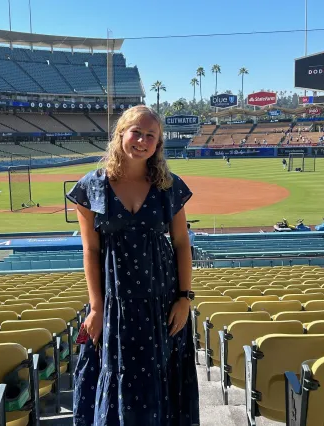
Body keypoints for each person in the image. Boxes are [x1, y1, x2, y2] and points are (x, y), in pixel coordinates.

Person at [66, 105, 199, 425]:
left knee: (161, 374)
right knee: (116, 373)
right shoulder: (92, 187)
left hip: (162, 302)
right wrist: (96, 308)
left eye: (150, 135)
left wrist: (184, 297)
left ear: (158, 144)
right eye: (136, 132)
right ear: (120, 135)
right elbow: (90, 251)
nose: (142, 140)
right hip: (115, 303)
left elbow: (182, 244)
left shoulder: (169, 186)